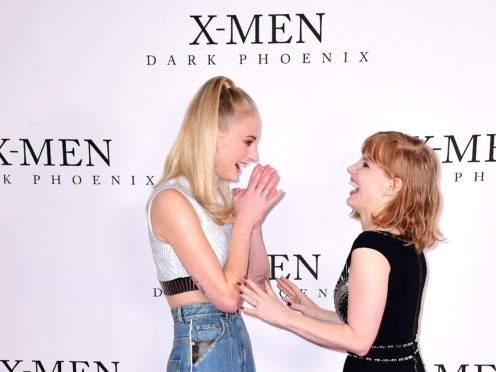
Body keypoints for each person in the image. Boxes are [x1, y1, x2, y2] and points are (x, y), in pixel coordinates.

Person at [238, 131, 442, 372]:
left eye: (365, 164)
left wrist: (284, 317)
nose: (351, 169)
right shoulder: (405, 245)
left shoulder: (372, 246)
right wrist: (311, 311)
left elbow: (359, 340)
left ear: (392, 185)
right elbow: (380, 329)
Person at [147, 76, 284, 372]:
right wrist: (243, 220)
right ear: (213, 135)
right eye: (248, 142)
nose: (254, 155)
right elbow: (225, 298)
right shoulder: (171, 200)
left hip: (232, 341)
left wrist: (253, 224)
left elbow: (257, 284)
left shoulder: (216, 202)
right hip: (204, 346)